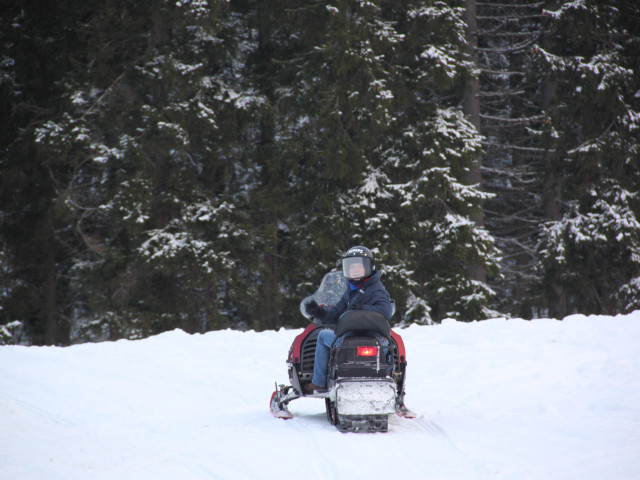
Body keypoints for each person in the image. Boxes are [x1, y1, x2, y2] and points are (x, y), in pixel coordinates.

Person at [302, 246, 393, 394]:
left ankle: (318, 383)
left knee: (322, 336)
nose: (355, 270)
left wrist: (361, 308)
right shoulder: (351, 289)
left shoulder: (376, 289)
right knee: (325, 334)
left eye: (359, 266)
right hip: (352, 337)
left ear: (368, 267)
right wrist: (319, 312)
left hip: (371, 338)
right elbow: (336, 313)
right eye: (352, 267)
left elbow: (385, 311)